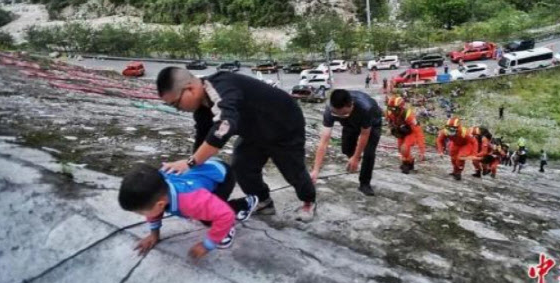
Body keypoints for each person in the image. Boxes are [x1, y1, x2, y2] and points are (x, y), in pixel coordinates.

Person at [156, 67, 317, 222]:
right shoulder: (201, 110)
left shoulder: (222, 86)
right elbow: (202, 139)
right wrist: (191, 170)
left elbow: (224, 127)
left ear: (190, 88)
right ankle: (264, 202)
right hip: (254, 131)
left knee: (293, 170)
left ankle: (309, 202)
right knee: (241, 165)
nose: (178, 109)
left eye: (176, 104)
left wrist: (190, 163)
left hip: (284, 125)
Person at [118, 164, 255, 259]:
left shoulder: (191, 201)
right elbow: (155, 211)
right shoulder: (158, 189)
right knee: (204, 210)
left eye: (141, 213)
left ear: (160, 204)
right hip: (200, 173)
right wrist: (154, 234)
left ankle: (244, 204)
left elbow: (225, 215)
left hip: (222, 177)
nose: (142, 216)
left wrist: (208, 244)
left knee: (209, 217)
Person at [311, 89, 382, 196]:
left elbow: (364, 134)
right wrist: (315, 170)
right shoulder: (330, 110)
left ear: (351, 105)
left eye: (343, 114)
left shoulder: (366, 108)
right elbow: (324, 141)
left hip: (372, 125)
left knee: (369, 153)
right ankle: (354, 159)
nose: (339, 117)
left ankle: (364, 184)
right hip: (350, 124)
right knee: (346, 148)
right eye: (336, 114)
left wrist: (356, 157)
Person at [385, 96, 426, 174]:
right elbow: (390, 122)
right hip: (400, 132)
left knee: (404, 148)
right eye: (390, 108)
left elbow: (418, 131)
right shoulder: (389, 112)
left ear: (400, 108)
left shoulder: (408, 115)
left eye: (394, 109)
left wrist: (422, 151)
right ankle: (408, 162)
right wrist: (390, 128)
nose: (392, 111)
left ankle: (407, 163)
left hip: (411, 132)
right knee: (400, 149)